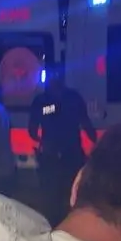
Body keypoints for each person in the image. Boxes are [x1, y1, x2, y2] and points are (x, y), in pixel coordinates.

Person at [30, 65, 97, 225]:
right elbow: (87, 125)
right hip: (64, 157)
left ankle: (57, 227)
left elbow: (32, 129)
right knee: (67, 199)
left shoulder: (43, 101)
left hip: (60, 157)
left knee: (53, 201)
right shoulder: (72, 98)